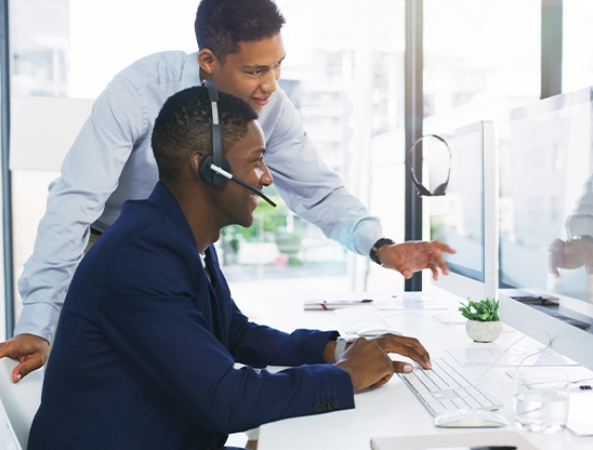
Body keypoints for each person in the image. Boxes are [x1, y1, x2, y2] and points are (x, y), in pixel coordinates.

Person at [0, 0, 454, 382]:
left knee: (198, 370)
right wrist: (37, 321)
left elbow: (317, 190)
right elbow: (74, 203)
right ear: (208, 61)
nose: (270, 85)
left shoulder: (270, 105)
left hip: (182, 249)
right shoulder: (139, 91)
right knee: (126, 388)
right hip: (107, 246)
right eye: (255, 70)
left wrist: (381, 247)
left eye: (277, 66)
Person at [27, 84, 432, 449]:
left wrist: (338, 349)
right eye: (256, 161)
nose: (267, 178)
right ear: (208, 168)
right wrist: (345, 377)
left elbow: (234, 333)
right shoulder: (141, 254)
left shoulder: (178, 237)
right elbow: (226, 399)